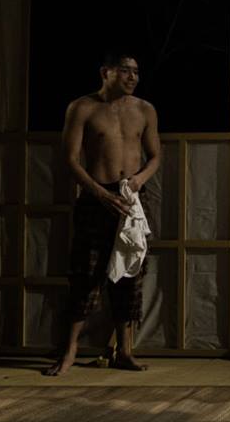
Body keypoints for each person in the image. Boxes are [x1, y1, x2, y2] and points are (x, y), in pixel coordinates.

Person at [43, 51, 161, 376]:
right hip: (96, 197)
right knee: (86, 274)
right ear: (106, 72)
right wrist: (99, 193)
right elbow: (70, 159)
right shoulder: (82, 107)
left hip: (131, 197)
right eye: (125, 70)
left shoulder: (145, 109)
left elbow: (155, 156)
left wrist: (138, 180)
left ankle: (125, 351)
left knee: (131, 274)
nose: (133, 77)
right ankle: (69, 351)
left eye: (136, 71)